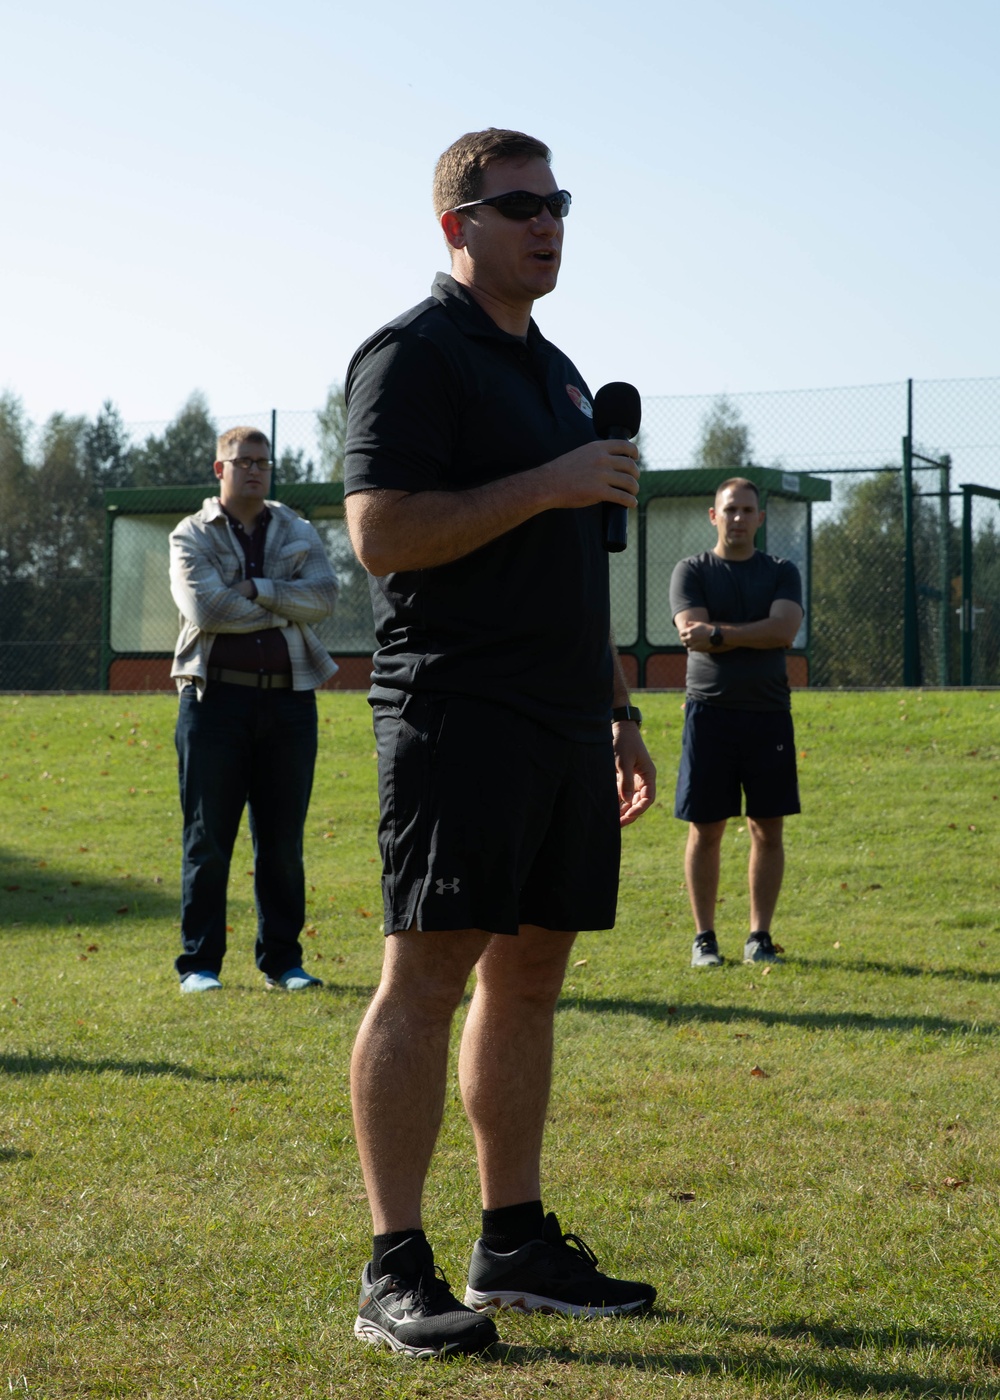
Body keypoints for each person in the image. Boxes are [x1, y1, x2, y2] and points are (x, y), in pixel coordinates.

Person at [342, 128, 658, 1359]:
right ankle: (392, 1266)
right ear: (454, 226)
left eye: (557, 202)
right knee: (425, 976)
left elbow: (575, 569)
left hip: (563, 719)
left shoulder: (562, 374)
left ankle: (513, 1241)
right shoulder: (411, 356)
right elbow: (380, 534)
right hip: (454, 711)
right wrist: (549, 479)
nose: (546, 222)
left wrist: (619, 713)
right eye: (518, 204)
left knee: (529, 975)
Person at [169, 426, 339, 993]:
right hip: (213, 701)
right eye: (241, 461)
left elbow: (323, 598)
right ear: (219, 470)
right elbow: (206, 608)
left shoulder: (297, 528)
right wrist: (281, 603)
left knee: (283, 842)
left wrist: (255, 588)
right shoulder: (188, 534)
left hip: (290, 702)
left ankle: (283, 963)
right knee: (207, 840)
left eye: (262, 461)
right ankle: (200, 966)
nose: (254, 470)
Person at [670, 477, 804, 969]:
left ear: (760, 519)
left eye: (748, 511)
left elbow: (785, 629)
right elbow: (691, 634)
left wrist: (721, 632)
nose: (739, 519)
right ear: (714, 515)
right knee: (706, 830)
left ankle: (759, 937)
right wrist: (756, 634)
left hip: (768, 715)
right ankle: (704, 939)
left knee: (767, 829)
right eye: (731, 510)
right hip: (709, 714)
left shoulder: (782, 571)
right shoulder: (691, 571)